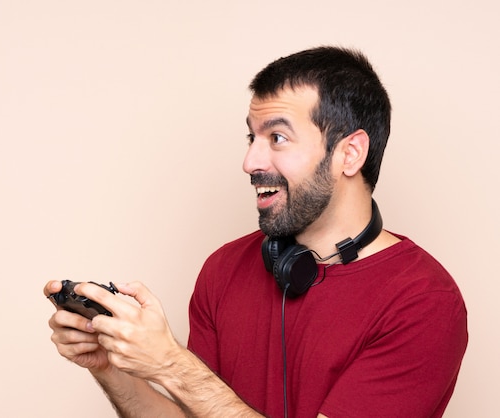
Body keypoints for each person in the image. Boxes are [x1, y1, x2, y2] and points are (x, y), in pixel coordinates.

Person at [44, 46, 468, 418]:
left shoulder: (424, 303)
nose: (250, 161)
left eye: (277, 137)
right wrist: (114, 370)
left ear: (350, 153)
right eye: (252, 136)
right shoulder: (224, 268)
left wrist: (172, 364)